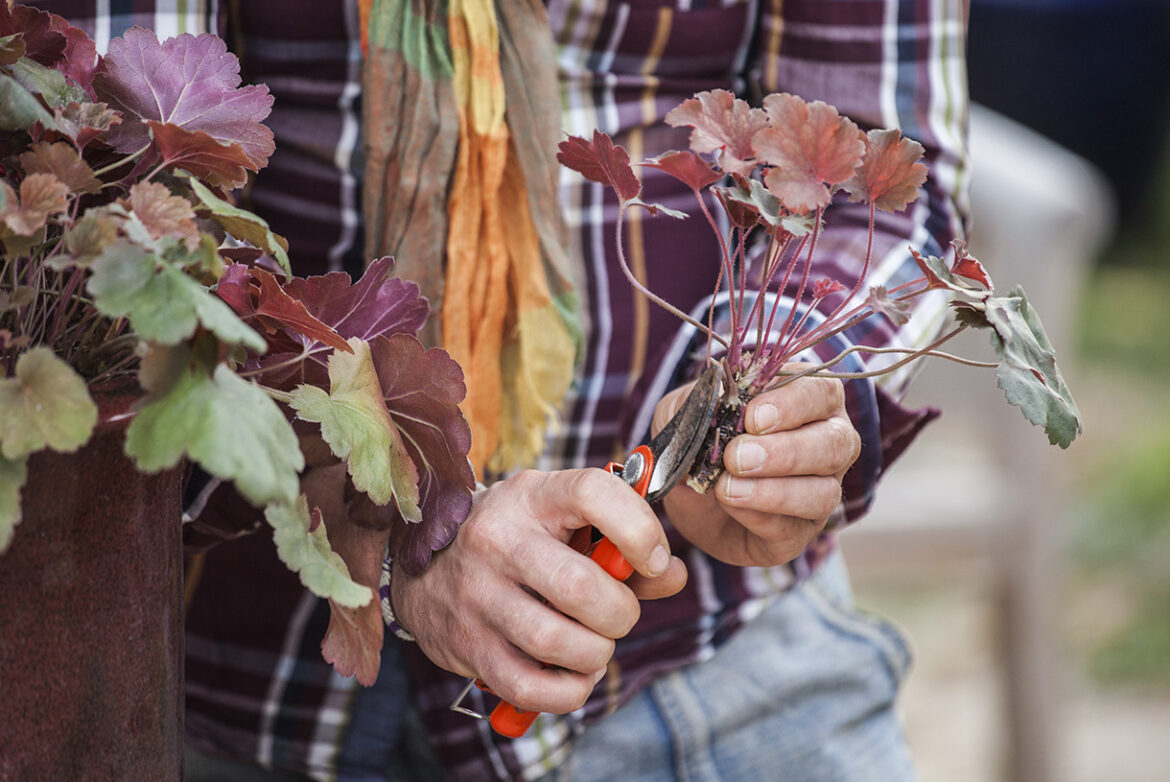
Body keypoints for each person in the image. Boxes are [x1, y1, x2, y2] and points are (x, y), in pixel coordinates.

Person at [24, 1, 969, 780]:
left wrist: (788, 391)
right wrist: (388, 526)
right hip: (225, 688)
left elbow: (888, 178)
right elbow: (97, 238)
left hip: (711, 670)